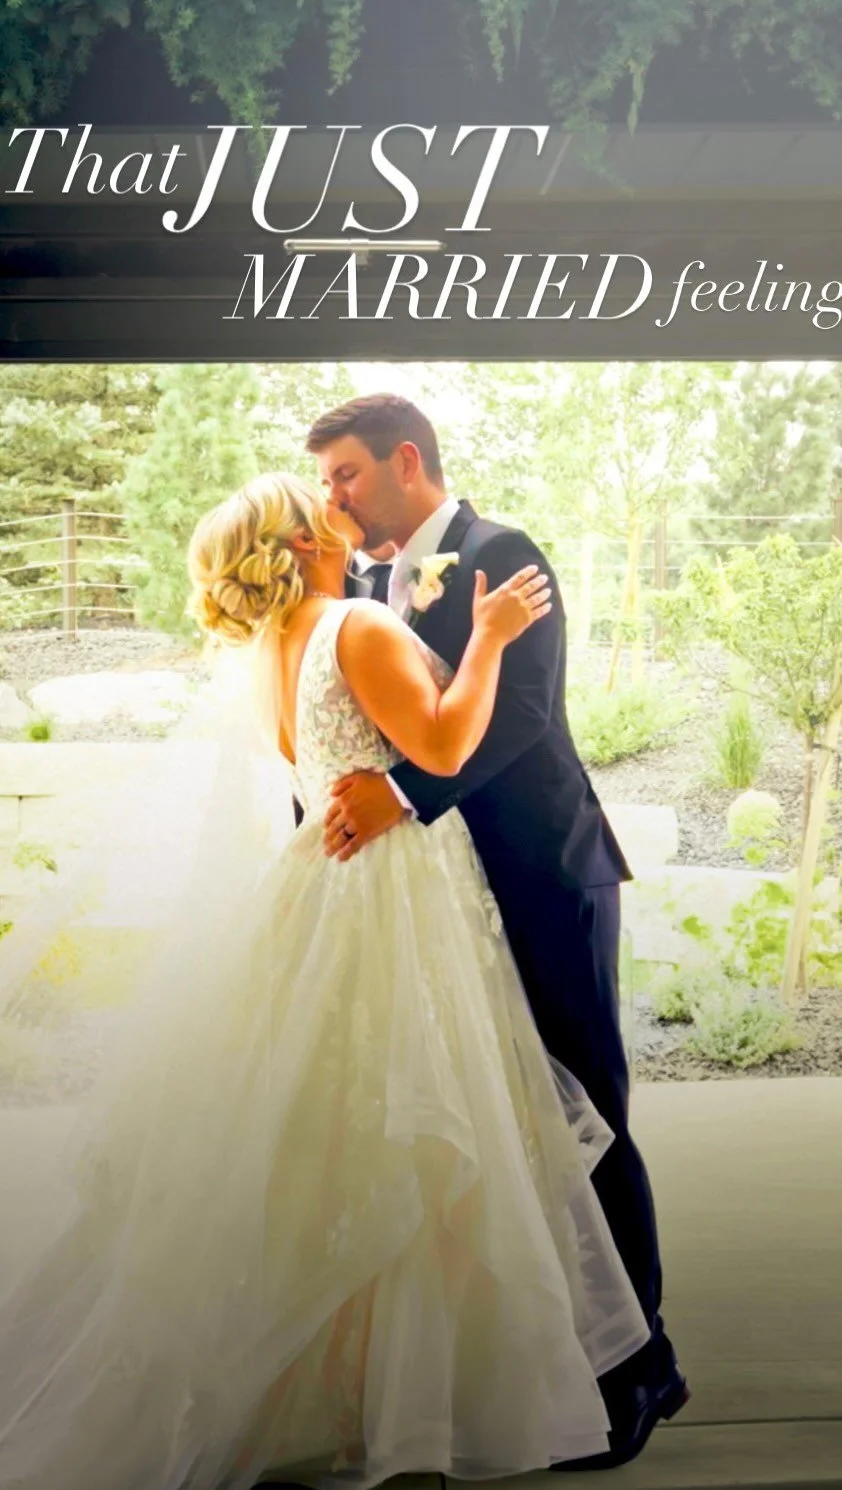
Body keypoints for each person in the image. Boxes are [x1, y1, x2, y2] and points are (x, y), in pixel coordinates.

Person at [0, 472, 649, 1490]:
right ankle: (407, 1396)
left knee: (337, 1140)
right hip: (397, 892)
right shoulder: (355, 623)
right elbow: (442, 744)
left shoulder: (272, 648)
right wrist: (486, 639)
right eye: (323, 501)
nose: (340, 508)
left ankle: (350, 1388)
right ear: (305, 540)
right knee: (419, 1132)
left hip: (321, 882)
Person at [306, 394, 689, 1471]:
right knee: (496, 1115)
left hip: (543, 874)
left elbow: (522, 714)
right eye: (324, 481)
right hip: (438, 899)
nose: (334, 498)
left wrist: (403, 798)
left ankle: (644, 1366)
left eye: (345, 474)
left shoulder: (500, 552)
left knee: (584, 1113)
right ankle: (545, 1357)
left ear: (406, 460)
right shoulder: (361, 585)